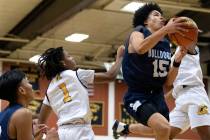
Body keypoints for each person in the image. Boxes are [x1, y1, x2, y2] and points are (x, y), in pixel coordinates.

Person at [112, 2, 188, 140]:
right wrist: (165, 30)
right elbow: (140, 48)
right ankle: (124, 129)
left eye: (161, 16)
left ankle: (123, 128)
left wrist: (177, 62)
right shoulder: (138, 32)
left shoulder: (165, 44)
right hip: (138, 95)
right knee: (163, 128)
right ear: (146, 21)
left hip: (157, 96)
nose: (161, 18)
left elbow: (168, 82)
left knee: (162, 130)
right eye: (156, 15)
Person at [37, 46, 124, 140]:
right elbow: (110, 76)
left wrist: (47, 134)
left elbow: (41, 122)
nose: (72, 58)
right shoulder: (77, 74)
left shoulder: (49, 90)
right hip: (81, 131)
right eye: (69, 56)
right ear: (63, 63)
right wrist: (120, 57)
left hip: (62, 133)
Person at [0, 69, 48, 140]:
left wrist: (31, 135)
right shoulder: (23, 113)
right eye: (28, 82)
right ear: (22, 90)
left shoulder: (3, 113)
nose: (32, 86)